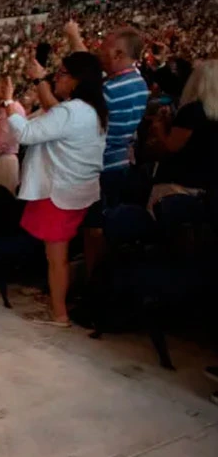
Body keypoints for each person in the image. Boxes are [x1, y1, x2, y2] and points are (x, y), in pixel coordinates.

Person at [6, 51, 108, 326]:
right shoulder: (93, 109)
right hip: (78, 189)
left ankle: (59, 313)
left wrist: (9, 104)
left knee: (57, 258)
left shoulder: (71, 111)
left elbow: (26, 133)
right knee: (59, 256)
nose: (56, 80)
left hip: (59, 191)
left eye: (61, 74)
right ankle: (57, 301)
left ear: (76, 80)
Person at [65, 22, 149, 275]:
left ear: (119, 55)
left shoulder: (111, 91)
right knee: (105, 225)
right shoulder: (137, 82)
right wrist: (74, 37)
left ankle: (95, 284)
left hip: (102, 166)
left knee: (95, 229)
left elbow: (77, 114)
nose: (99, 54)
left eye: (103, 49)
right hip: (120, 163)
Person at [144, 60, 217, 215]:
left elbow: (170, 146)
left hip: (179, 186)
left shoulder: (194, 110)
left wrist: (159, 129)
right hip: (207, 186)